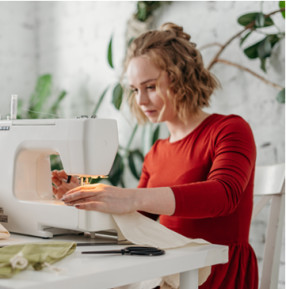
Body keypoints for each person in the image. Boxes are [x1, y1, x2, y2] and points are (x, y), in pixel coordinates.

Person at [51, 22, 258, 289]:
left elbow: (224, 195)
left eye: (150, 87)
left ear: (182, 78)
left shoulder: (229, 129)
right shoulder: (156, 152)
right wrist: (87, 197)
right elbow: (140, 219)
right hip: (171, 267)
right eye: (136, 90)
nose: (140, 101)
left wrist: (130, 196)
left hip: (213, 272)